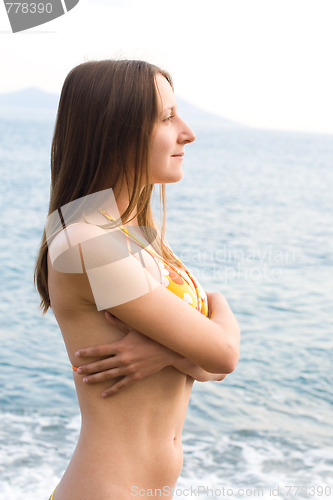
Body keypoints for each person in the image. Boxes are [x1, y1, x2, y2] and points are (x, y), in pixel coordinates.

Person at [35, 59, 240, 500]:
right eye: (167, 118)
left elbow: (209, 367)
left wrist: (164, 350)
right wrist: (191, 341)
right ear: (117, 130)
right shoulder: (86, 240)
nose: (188, 132)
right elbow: (222, 353)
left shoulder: (137, 237)